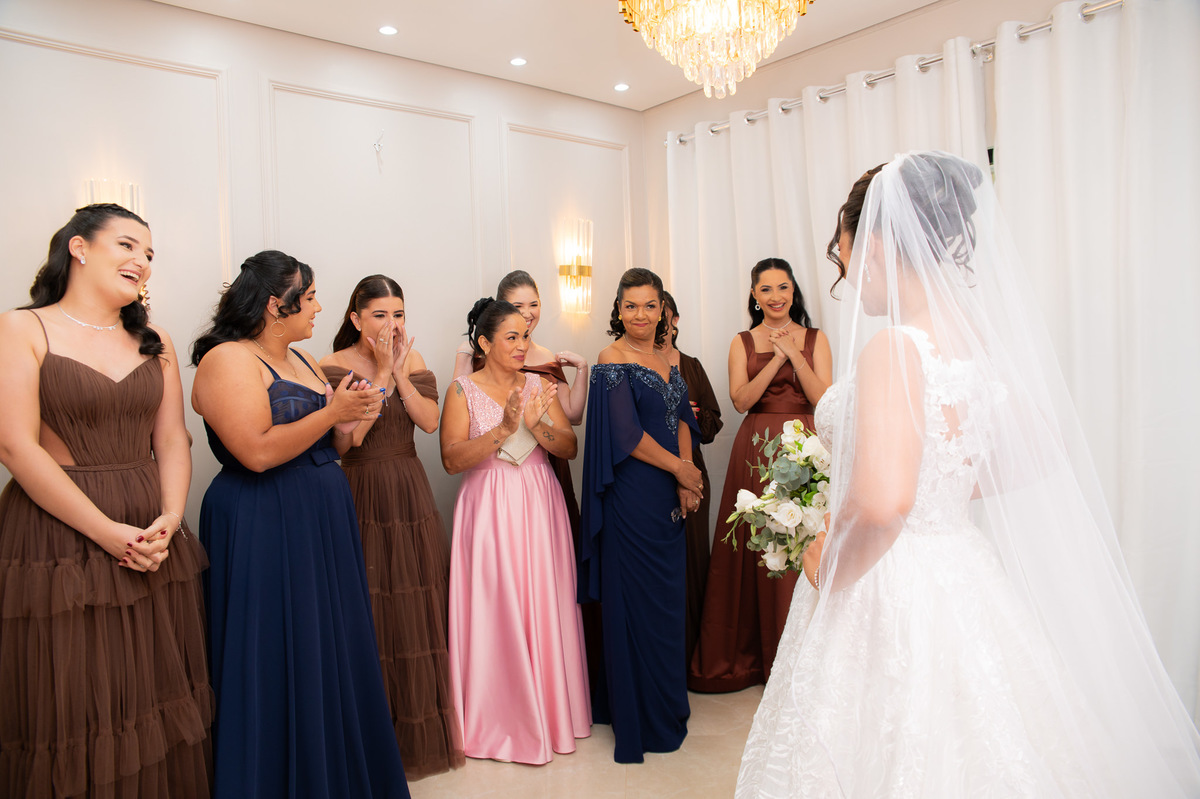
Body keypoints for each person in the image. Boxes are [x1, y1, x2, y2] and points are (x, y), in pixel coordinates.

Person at [737, 152, 1200, 797]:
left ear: (874, 246)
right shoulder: (971, 338)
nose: (845, 274)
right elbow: (1046, 442)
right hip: (959, 563)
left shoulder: (895, 346)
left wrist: (828, 563)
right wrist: (943, 485)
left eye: (843, 255)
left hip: (889, 582)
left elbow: (883, 505)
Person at [0, 203, 212, 797]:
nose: (142, 261)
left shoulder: (154, 340)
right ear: (79, 247)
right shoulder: (23, 328)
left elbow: (172, 438)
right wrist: (104, 531)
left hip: (150, 529)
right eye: (127, 245)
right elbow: (15, 446)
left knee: (150, 688)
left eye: (149, 253)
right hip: (60, 529)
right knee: (72, 692)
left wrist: (171, 517)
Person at [191, 251, 410, 798]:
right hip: (263, 515)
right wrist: (333, 413)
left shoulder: (305, 360)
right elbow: (257, 452)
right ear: (276, 304)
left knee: (326, 644)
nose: (318, 308)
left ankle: (331, 772)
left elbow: (340, 444)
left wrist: (359, 406)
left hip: (322, 515)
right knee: (271, 647)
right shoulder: (228, 359)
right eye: (309, 297)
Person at [319, 274, 464, 779]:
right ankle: (372, 742)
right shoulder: (331, 366)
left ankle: (416, 734)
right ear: (356, 318)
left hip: (408, 487)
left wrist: (400, 371)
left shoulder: (415, 360)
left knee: (414, 603)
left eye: (398, 314)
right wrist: (381, 369)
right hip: (360, 490)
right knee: (369, 605)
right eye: (380, 314)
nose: (391, 324)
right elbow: (348, 442)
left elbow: (428, 421)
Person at [441, 296, 590, 765]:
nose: (523, 344)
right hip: (487, 506)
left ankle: (550, 710)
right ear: (485, 344)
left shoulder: (540, 384)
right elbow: (451, 460)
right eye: (512, 337)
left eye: (525, 335)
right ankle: (497, 718)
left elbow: (569, 447)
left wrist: (536, 426)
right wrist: (502, 430)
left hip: (539, 501)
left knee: (542, 598)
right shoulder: (461, 391)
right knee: (495, 602)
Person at [689, 258, 831, 693]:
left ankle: (804, 660)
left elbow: (825, 398)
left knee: (803, 541)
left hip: (804, 445)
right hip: (756, 448)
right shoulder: (743, 341)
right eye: (765, 289)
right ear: (754, 295)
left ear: (793, 291)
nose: (775, 296)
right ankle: (755, 657)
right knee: (760, 546)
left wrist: (795, 354)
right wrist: (776, 359)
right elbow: (740, 400)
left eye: (782, 287)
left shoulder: (816, 338)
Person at [580, 268, 702, 763]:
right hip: (630, 497)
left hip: (667, 497)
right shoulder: (611, 360)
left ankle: (665, 704)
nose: (640, 315)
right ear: (618, 309)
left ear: (663, 310)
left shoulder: (667, 358)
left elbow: (683, 419)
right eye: (630, 306)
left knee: (666, 603)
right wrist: (680, 468)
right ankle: (639, 718)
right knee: (637, 603)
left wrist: (686, 475)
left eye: (650, 305)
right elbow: (626, 435)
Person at [660, 290, 723, 663]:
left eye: (663, 312)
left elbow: (714, 421)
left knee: (693, 559)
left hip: (693, 470)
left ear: (675, 320)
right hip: (650, 473)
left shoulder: (692, 366)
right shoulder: (629, 363)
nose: (657, 320)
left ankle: (694, 655)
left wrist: (692, 416)